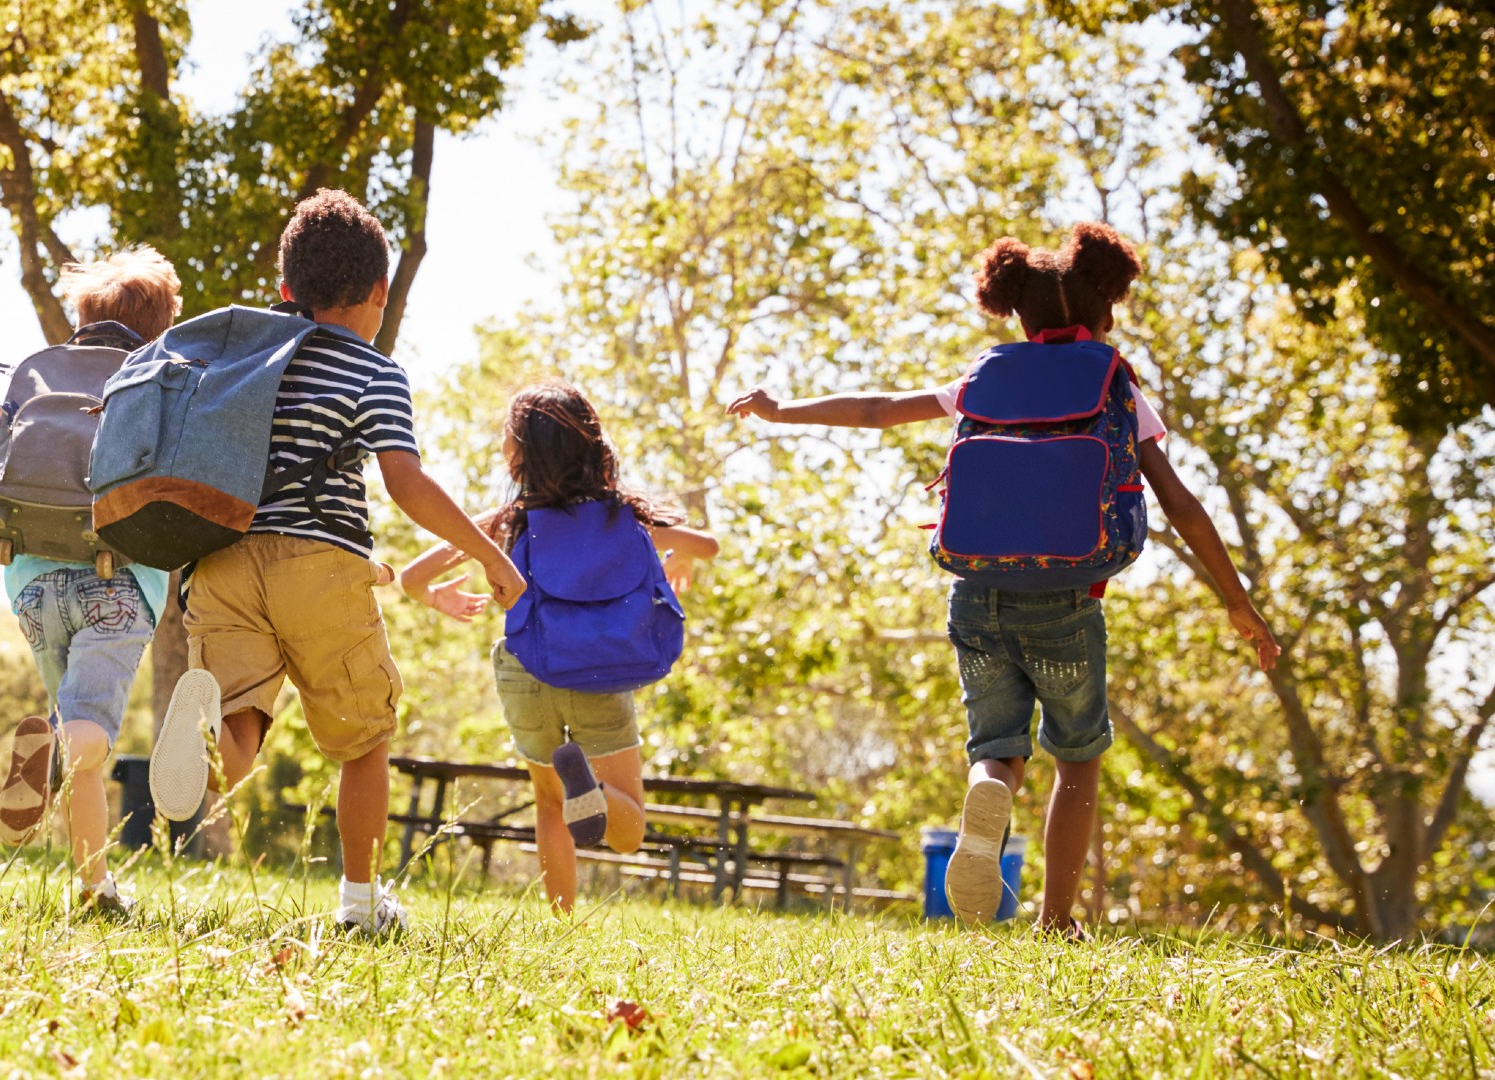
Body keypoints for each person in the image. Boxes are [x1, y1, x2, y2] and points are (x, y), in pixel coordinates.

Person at [726, 222, 1280, 937]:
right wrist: (1236, 601)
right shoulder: (1112, 381)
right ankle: (1056, 920)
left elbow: (877, 410)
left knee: (998, 748)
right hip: (1067, 599)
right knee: (1077, 757)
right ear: (1103, 309)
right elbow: (1178, 500)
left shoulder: (982, 377)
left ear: (1016, 312)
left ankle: (988, 799)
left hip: (975, 592)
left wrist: (780, 411)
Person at [146, 188, 526, 935]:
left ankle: (201, 742)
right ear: (380, 291)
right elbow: (405, 482)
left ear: (286, 290)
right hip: (319, 561)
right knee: (364, 738)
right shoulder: (374, 372)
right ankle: (359, 902)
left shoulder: (239, 361)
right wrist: (488, 556)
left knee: (244, 720)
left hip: (220, 558)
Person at [401, 382, 719, 914]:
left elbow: (413, 576)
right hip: (601, 669)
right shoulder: (628, 515)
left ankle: (560, 922)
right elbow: (706, 544)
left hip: (528, 670)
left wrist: (439, 599)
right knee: (628, 830)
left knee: (550, 802)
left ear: (519, 454)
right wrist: (680, 555)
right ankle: (590, 784)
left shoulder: (509, 521)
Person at [0, 247, 182, 918]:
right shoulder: (160, 378)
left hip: (33, 587)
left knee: (82, 741)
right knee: (88, 735)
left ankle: (95, 889)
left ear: (82, 316)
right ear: (162, 323)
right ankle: (52, 749)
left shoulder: (34, 374)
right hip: (119, 584)